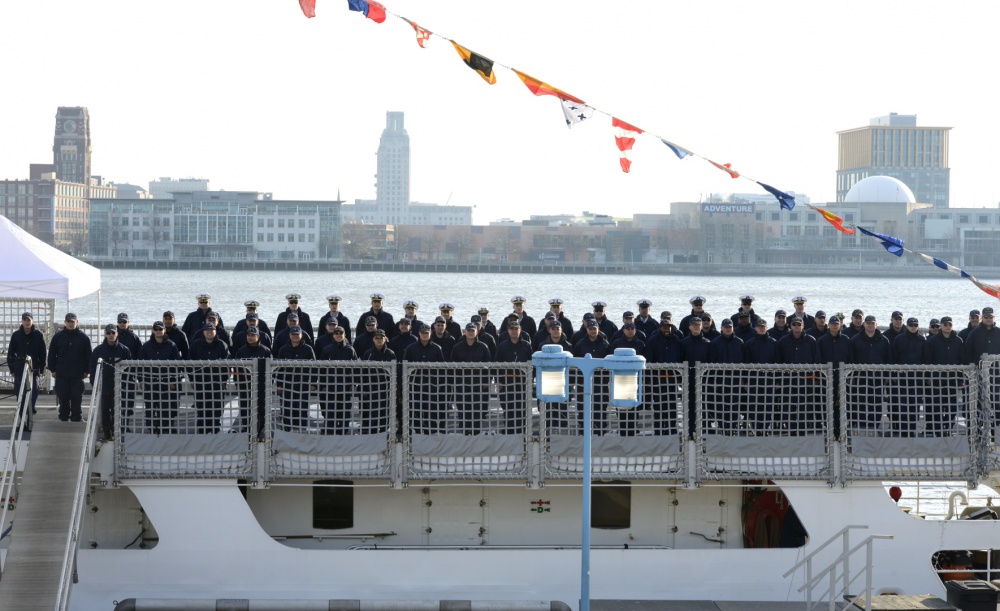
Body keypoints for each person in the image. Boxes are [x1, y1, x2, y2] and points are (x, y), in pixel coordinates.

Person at [776, 317, 820, 434]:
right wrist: (779, 380)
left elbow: (816, 360)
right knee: (788, 406)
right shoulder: (783, 341)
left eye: (798, 324)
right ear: (790, 326)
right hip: (788, 381)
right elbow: (779, 361)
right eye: (794, 324)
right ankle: (790, 429)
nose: (796, 326)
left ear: (803, 325)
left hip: (806, 380)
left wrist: (815, 378)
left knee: (805, 406)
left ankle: (803, 430)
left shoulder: (811, 341)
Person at [137, 320, 183, 434]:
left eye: (160, 329)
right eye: (156, 329)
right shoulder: (146, 346)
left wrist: (174, 381)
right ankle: (152, 431)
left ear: (164, 330)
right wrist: (141, 380)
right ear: (153, 331)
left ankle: (165, 431)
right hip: (150, 383)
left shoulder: (172, 346)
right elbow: (139, 365)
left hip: (166, 384)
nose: (158, 331)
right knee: (150, 409)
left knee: (166, 410)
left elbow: (177, 365)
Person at [848, 314, 891, 432]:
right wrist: (852, 376)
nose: (871, 325)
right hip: (860, 377)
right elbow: (851, 358)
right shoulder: (855, 340)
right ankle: (861, 427)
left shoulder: (884, 340)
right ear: (864, 324)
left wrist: (886, 375)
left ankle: (873, 427)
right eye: (868, 323)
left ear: (876, 324)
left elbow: (888, 359)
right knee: (860, 403)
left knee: (876, 404)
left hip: (878, 377)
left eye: (873, 323)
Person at [924, 316, 965, 435]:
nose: (947, 327)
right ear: (941, 326)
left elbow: (961, 360)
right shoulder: (932, 341)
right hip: (937, 379)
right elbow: (927, 360)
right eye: (945, 324)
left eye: (950, 325)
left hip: (952, 379)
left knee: (952, 407)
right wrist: (928, 376)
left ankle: (948, 428)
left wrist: (961, 378)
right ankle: (938, 430)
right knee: (937, 406)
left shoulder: (958, 340)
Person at [90, 324, 132, 440]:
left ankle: (117, 433)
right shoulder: (98, 350)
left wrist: (126, 385)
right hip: (104, 387)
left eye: (113, 333)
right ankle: (107, 433)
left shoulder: (124, 350)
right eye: (109, 333)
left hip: (119, 387)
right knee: (104, 411)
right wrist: (95, 384)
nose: (111, 335)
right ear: (105, 334)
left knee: (118, 411)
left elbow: (130, 369)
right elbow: (93, 369)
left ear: (117, 334)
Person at [48, 313, 92, 422]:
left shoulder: (83, 338)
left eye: (73, 322)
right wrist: (52, 369)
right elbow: (52, 354)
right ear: (65, 322)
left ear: (77, 322)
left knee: (77, 397)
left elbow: (89, 355)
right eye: (69, 322)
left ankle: (76, 417)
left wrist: (87, 370)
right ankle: (63, 417)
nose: (70, 324)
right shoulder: (58, 337)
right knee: (63, 397)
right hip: (61, 373)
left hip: (78, 374)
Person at [188, 322, 231, 434]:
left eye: (211, 330)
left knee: (217, 408)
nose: (209, 332)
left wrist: (224, 380)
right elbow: (189, 364)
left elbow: (228, 364)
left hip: (217, 383)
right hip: (200, 383)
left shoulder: (222, 345)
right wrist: (192, 380)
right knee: (202, 408)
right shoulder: (195, 345)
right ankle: (202, 431)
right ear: (203, 332)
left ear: (215, 332)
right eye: (207, 330)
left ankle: (215, 429)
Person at [402, 324, 446, 434]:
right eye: (422, 333)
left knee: (430, 412)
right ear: (419, 334)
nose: (424, 335)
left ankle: (429, 434)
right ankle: (416, 434)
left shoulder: (437, 348)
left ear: (430, 333)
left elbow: (442, 369)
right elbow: (404, 366)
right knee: (415, 411)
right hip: (415, 385)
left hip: (431, 386)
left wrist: (440, 385)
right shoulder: (411, 348)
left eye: (426, 333)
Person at [451, 322, 492, 434]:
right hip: (461, 385)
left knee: (478, 411)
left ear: (476, 332)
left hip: (478, 385)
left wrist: (486, 382)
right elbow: (452, 366)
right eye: (468, 331)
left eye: (472, 331)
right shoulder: (457, 347)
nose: (470, 333)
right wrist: (454, 382)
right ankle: (464, 433)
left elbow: (488, 366)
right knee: (463, 410)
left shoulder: (483, 347)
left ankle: (476, 433)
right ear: (465, 332)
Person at [495, 319, 533, 435]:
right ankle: (509, 435)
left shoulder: (526, 346)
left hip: (522, 383)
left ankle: (522, 435)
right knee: (508, 410)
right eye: (512, 329)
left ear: (520, 330)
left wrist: (530, 381)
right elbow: (497, 365)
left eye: (516, 329)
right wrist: (498, 381)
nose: (514, 331)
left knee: (522, 411)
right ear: (508, 331)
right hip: (507, 383)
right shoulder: (502, 346)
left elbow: (532, 365)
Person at [706, 319, 744, 432]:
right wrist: (713, 382)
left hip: (736, 381)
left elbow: (743, 362)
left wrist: (743, 380)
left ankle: (734, 430)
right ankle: (723, 430)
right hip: (720, 382)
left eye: (730, 327)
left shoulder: (739, 342)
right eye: (726, 327)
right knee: (720, 408)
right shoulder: (714, 343)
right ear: (721, 328)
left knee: (735, 408)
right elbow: (711, 363)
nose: (728, 329)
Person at [275, 326, 316, 431]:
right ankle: (287, 432)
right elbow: (278, 369)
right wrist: (279, 384)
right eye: (293, 334)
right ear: (289, 335)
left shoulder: (308, 349)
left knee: (302, 410)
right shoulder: (283, 349)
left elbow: (314, 367)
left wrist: (313, 384)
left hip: (304, 384)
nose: (295, 336)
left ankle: (301, 432)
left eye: (297, 334)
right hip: (287, 384)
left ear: (301, 335)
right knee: (286, 410)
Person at [318, 326, 357, 435]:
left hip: (345, 388)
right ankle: (330, 435)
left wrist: (352, 384)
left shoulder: (350, 350)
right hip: (330, 388)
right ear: (333, 335)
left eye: (341, 333)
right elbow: (322, 370)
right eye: (336, 333)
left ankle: (343, 435)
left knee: (344, 414)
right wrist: (322, 386)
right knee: (330, 413)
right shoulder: (327, 350)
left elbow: (355, 369)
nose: (339, 335)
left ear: (345, 335)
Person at [817, 315, 851, 437]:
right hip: (827, 378)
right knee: (827, 404)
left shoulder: (846, 339)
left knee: (842, 405)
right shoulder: (822, 341)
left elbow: (850, 358)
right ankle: (829, 430)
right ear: (829, 325)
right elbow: (819, 359)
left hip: (842, 378)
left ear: (840, 325)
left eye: (837, 324)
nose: (835, 326)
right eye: (833, 324)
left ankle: (840, 430)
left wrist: (849, 376)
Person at [7, 311, 46, 417]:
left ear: (32, 321)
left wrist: (42, 370)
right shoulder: (16, 335)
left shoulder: (38, 335)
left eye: (29, 320)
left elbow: (43, 353)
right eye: (25, 320)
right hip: (19, 368)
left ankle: (30, 414)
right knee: (19, 392)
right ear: (21, 321)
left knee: (33, 393)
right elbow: (11, 353)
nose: (27, 322)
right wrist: (12, 369)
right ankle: (21, 415)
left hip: (35, 369)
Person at [234, 325, 271, 437]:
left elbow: (272, 370)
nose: (250, 337)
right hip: (245, 386)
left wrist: (269, 384)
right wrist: (238, 384)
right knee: (245, 409)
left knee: (262, 410)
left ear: (258, 336)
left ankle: (260, 431)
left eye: (253, 335)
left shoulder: (266, 351)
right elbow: (236, 370)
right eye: (249, 335)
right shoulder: (241, 351)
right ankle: (247, 432)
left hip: (262, 387)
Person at [744, 318, 778, 433]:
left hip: (769, 379)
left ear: (766, 328)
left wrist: (777, 381)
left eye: (763, 327)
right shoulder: (750, 343)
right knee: (754, 406)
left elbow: (777, 363)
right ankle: (756, 429)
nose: (761, 328)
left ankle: (766, 429)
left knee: (768, 405)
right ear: (756, 328)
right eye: (759, 327)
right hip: (754, 379)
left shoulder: (773, 343)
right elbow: (746, 363)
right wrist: (745, 382)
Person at [679, 317, 711, 436]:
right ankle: (690, 432)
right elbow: (680, 360)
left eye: (698, 324)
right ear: (689, 327)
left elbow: (710, 361)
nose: (696, 327)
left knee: (704, 407)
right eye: (694, 325)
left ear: (702, 326)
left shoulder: (707, 343)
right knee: (689, 407)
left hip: (704, 381)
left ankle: (705, 432)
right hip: (688, 380)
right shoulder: (683, 343)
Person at [359, 330, 395, 435]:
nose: (379, 340)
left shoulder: (390, 354)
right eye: (376, 338)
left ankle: (384, 437)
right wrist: (363, 389)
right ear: (373, 339)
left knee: (385, 415)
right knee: (372, 416)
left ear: (385, 339)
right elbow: (363, 373)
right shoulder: (368, 353)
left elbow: (395, 373)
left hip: (386, 389)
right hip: (371, 390)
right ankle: (373, 436)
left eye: (381, 338)